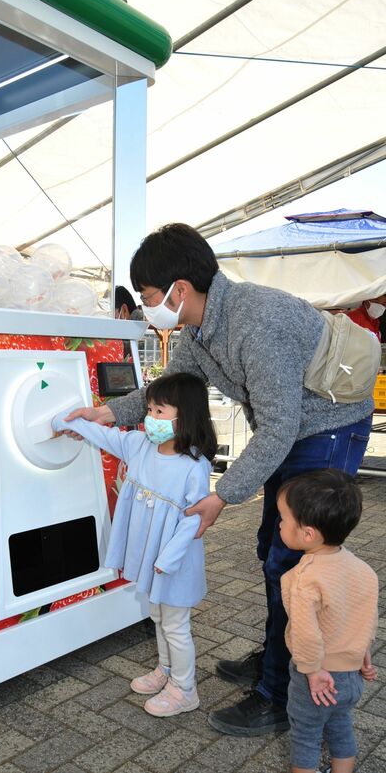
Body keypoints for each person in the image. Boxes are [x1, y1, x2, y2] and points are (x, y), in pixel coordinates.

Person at [65, 223, 374, 736]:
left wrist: (221, 497)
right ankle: (279, 651)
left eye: (148, 297)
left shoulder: (256, 322)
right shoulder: (199, 331)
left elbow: (280, 427)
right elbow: (170, 392)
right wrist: (107, 414)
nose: (146, 307)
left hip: (328, 425)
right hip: (288, 429)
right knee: (270, 547)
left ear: (179, 290)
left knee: (296, 559)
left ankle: (281, 693)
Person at [52, 372, 216, 717]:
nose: (150, 419)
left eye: (159, 412)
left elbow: (193, 521)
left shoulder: (194, 466)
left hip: (173, 562)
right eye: (150, 409)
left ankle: (186, 689)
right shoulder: (140, 444)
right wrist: (76, 420)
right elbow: (106, 435)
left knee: (175, 624)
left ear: (184, 417)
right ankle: (167, 671)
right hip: (152, 557)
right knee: (158, 615)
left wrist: (168, 560)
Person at [277, 469, 378, 773]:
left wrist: (313, 671)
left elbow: (306, 635)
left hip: (317, 679)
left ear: (307, 533)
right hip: (351, 677)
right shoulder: (363, 570)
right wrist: (364, 654)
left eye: (283, 518)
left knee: (306, 738)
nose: (279, 524)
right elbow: (366, 618)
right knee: (340, 727)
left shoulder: (303, 579)